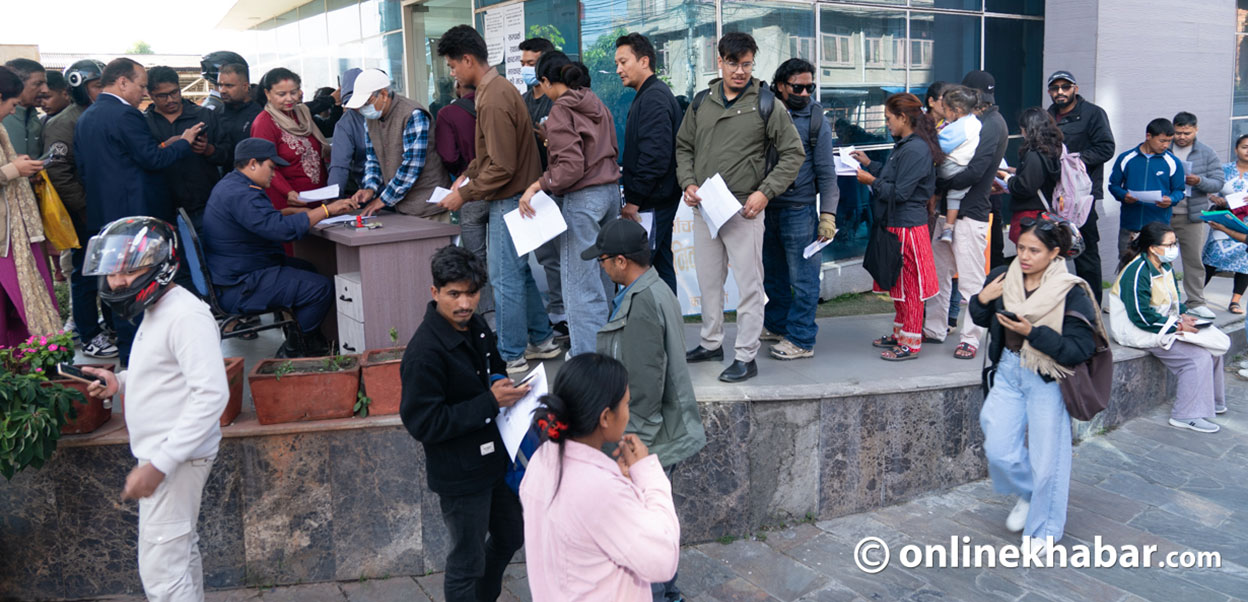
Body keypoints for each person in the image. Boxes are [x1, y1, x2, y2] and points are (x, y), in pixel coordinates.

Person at [79, 217, 228, 602]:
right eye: (112, 272)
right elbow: (164, 373)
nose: (117, 282)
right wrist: (119, 383)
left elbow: (211, 395)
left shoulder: (186, 315)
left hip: (176, 457)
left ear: (160, 266)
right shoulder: (158, 310)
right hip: (168, 454)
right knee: (178, 550)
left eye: (129, 270)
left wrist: (160, 464)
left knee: (162, 569)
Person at [399, 244, 529, 602]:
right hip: (459, 474)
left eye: (471, 293)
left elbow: (495, 364)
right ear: (435, 292)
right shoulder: (424, 353)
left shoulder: (476, 327)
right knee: (466, 561)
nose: (464, 304)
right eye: (454, 294)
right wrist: (490, 402)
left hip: (492, 462)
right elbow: (423, 423)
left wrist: (502, 383)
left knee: (510, 534)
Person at [676, 32, 805, 383]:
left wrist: (765, 192)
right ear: (719, 61)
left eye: (747, 64)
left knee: (749, 286)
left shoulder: (766, 104)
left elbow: (794, 153)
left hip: (744, 208)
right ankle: (710, 342)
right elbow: (684, 146)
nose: (740, 71)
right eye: (733, 63)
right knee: (708, 283)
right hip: (705, 206)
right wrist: (687, 182)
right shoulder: (702, 102)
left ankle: (746, 356)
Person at [588, 218, 705, 602]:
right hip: (653, 433)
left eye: (603, 260)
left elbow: (643, 386)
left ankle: (659, 595)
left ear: (621, 261)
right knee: (656, 520)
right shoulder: (653, 287)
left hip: (645, 437)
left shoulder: (641, 304)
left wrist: (631, 448)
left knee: (643, 530)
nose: (601, 266)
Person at [436, 25, 560, 374]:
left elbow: (503, 166)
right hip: (513, 194)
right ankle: (542, 339)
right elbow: (490, 155)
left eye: (452, 65)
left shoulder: (491, 97)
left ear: (467, 59)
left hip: (509, 197)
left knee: (504, 278)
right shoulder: (498, 89)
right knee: (517, 275)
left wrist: (463, 194)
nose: (453, 73)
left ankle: (509, 354)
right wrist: (470, 172)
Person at [969, 215, 1099, 548]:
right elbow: (981, 318)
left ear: (1055, 252)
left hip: (1047, 379)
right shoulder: (1003, 276)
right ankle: (1028, 494)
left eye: (1034, 250)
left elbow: (1080, 348)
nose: (1024, 256)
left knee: (1048, 460)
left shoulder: (1070, 291)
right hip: (1009, 371)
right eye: (1021, 247)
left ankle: (1044, 530)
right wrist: (982, 300)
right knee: (999, 450)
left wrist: (1033, 334)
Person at [519, 353, 680, 601]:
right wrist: (647, 474)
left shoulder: (541, 461)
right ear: (605, 417)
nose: (628, 413)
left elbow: (583, 532)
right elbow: (663, 559)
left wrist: (622, 484)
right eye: (626, 404)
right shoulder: (600, 489)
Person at [75, 58, 202, 363]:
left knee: (119, 288)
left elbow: (89, 167)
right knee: (146, 286)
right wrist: (183, 143)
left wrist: (161, 146)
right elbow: (152, 161)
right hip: (138, 217)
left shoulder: (87, 117)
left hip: (106, 215)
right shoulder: (125, 115)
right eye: (142, 85)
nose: (144, 93)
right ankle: (147, 358)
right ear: (122, 82)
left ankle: (130, 357)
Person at [201, 138, 357, 357]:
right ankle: (292, 351)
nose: (274, 175)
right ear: (253, 163)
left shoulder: (233, 184)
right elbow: (280, 231)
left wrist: (286, 213)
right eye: (271, 168)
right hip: (240, 284)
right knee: (320, 288)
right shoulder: (242, 194)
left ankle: (306, 338)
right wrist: (326, 210)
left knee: (308, 269)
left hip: (236, 271)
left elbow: (258, 222)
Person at [518, 52, 620, 357]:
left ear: (548, 82)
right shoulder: (594, 101)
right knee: (605, 280)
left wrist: (537, 185)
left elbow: (571, 167)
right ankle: (610, 352)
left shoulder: (561, 109)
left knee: (579, 285)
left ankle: (587, 357)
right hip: (610, 192)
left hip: (583, 197)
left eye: (541, 83)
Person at [1109, 222, 1226, 433]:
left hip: (1163, 322)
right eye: (1170, 244)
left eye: (1175, 243)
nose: (1174, 248)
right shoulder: (1137, 272)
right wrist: (1177, 326)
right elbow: (1140, 316)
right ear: (1153, 248)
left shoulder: (1165, 267)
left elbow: (1173, 300)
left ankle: (1211, 404)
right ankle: (1185, 415)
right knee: (1196, 359)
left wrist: (1184, 315)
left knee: (1213, 350)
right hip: (1139, 330)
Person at [924, 70, 1007, 360]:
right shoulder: (971, 121)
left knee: (971, 281)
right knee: (939, 274)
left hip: (971, 213)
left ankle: (971, 337)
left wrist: (937, 180)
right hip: (950, 210)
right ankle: (934, 328)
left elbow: (976, 171)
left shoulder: (993, 124)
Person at [760, 58, 838, 360]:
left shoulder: (816, 118)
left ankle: (802, 339)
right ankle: (778, 325)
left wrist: (828, 215)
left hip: (800, 211)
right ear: (780, 86)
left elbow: (827, 171)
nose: (805, 93)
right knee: (773, 276)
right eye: (798, 87)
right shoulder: (764, 108)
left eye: (810, 87)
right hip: (766, 206)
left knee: (804, 279)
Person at [852, 93, 939, 361]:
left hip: (908, 227)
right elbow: (894, 177)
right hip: (899, 225)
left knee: (910, 287)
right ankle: (902, 333)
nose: (886, 124)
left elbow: (900, 192)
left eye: (889, 118)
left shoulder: (915, 148)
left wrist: (870, 179)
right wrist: (869, 164)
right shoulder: (907, 144)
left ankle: (911, 342)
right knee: (899, 285)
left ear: (903, 117)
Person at [44, 59, 107, 353]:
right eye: (97, 85)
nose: (103, 90)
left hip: (105, 209)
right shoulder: (64, 123)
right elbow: (58, 172)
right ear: (79, 88)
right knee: (84, 274)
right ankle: (88, 333)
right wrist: (83, 208)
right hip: (83, 213)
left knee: (109, 271)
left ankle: (105, 327)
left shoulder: (103, 114)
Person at [616, 32, 681, 293]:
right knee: (661, 270)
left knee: (639, 272)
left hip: (652, 201)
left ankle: (653, 331)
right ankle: (669, 331)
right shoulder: (649, 94)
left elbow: (655, 156)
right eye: (617, 64)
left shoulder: (654, 96)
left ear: (644, 61)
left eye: (623, 61)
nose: (619, 69)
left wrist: (635, 200)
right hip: (655, 199)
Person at [0, 66, 59, 346]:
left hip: (11, 233)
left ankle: (22, 368)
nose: (13, 112)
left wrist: (17, 167)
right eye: (11, 104)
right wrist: (12, 170)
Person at [1047, 70, 1116, 304]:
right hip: (1052, 194)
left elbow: (1106, 147)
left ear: (1075, 89)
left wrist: (1075, 163)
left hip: (1080, 196)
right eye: (1055, 88)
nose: (1060, 92)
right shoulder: (1048, 116)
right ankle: (1057, 303)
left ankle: (1092, 305)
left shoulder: (1093, 114)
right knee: (1053, 250)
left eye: (1065, 87)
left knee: (1085, 251)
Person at [344, 69, 450, 221]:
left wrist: (382, 200)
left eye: (367, 103)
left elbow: (412, 166)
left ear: (384, 94)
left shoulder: (412, 114)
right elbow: (373, 159)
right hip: (401, 205)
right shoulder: (371, 118)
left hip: (429, 206)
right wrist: (370, 188)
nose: (363, 109)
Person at [518, 36, 567, 340]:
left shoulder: (558, 99)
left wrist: (545, 136)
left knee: (564, 255)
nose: (526, 69)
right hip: (533, 189)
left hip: (558, 186)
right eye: (522, 63)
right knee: (546, 256)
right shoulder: (523, 100)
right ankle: (557, 312)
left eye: (531, 63)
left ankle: (566, 313)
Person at [144, 66, 229, 232]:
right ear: (149, 94)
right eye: (162, 96)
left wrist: (208, 150)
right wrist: (163, 147)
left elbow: (227, 155)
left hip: (206, 206)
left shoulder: (204, 115)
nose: (170, 100)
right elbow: (143, 160)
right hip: (163, 212)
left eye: (174, 93)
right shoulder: (144, 123)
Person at [249, 67, 330, 212]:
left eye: (293, 92)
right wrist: (288, 192)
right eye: (282, 94)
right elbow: (266, 165)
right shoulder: (264, 122)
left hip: (318, 200)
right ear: (267, 93)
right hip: (289, 203)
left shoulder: (303, 115)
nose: (289, 98)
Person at [1168, 112, 1224, 319]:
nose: (1181, 137)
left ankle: (1196, 301)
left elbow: (1218, 182)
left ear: (1196, 130)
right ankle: (1167, 300)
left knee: (1193, 261)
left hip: (1192, 216)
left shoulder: (1206, 153)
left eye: (1186, 133)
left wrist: (1199, 181)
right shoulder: (1165, 147)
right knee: (1162, 260)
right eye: (1178, 132)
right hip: (1164, 213)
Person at [1108, 118, 1185, 267]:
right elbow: (1113, 185)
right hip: (1130, 226)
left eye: (1169, 141)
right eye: (1162, 141)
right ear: (1148, 136)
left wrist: (1171, 199)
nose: (1165, 145)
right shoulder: (1126, 158)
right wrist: (1123, 196)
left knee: (1159, 269)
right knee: (1127, 266)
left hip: (1159, 228)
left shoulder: (1173, 162)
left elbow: (1180, 190)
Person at [998, 107, 1062, 241]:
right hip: (1043, 212)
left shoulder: (1033, 154)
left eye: (1022, 127)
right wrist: (1015, 171)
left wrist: (1007, 178)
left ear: (1029, 128)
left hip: (1029, 216)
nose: (1021, 131)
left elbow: (1025, 187)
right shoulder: (1052, 150)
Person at [1202, 134, 1248, 315]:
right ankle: (1195, 298)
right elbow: (1207, 189)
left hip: (1246, 225)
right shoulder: (1223, 169)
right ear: (1236, 149)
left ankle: (1235, 301)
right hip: (1224, 220)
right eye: (1244, 147)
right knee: (1211, 258)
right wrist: (1215, 198)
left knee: (1245, 262)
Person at [934, 85, 982, 244]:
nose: (945, 113)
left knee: (935, 182)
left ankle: (935, 213)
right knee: (954, 197)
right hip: (964, 167)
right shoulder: (975, 123)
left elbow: (941, 146)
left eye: (946, 109)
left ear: (957, 110)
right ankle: (948, 229)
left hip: (950, 166)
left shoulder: (958, 127)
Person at [214, 62, 264, 166]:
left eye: (229, 86)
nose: (222, 90)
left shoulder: (259, 116)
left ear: (245, 87)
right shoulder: (216, 114)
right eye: (220, 85)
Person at [327, 68, 367, 195]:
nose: (358, 107)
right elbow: (339, 166)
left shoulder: (400, 114)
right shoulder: (346, 123)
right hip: (368, 190)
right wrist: (333, 199)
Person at [1, 59, 46, 157]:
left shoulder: (35, 118)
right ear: (18, 82)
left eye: (45, 84)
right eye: (38, 84)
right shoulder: (3, 118)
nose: (45, 89)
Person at [434, 79, 477, 177]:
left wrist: (463, 174)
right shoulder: (494, 104)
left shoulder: (447, 114)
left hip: (468, 179)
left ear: (457, 85)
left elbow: (449, 157)